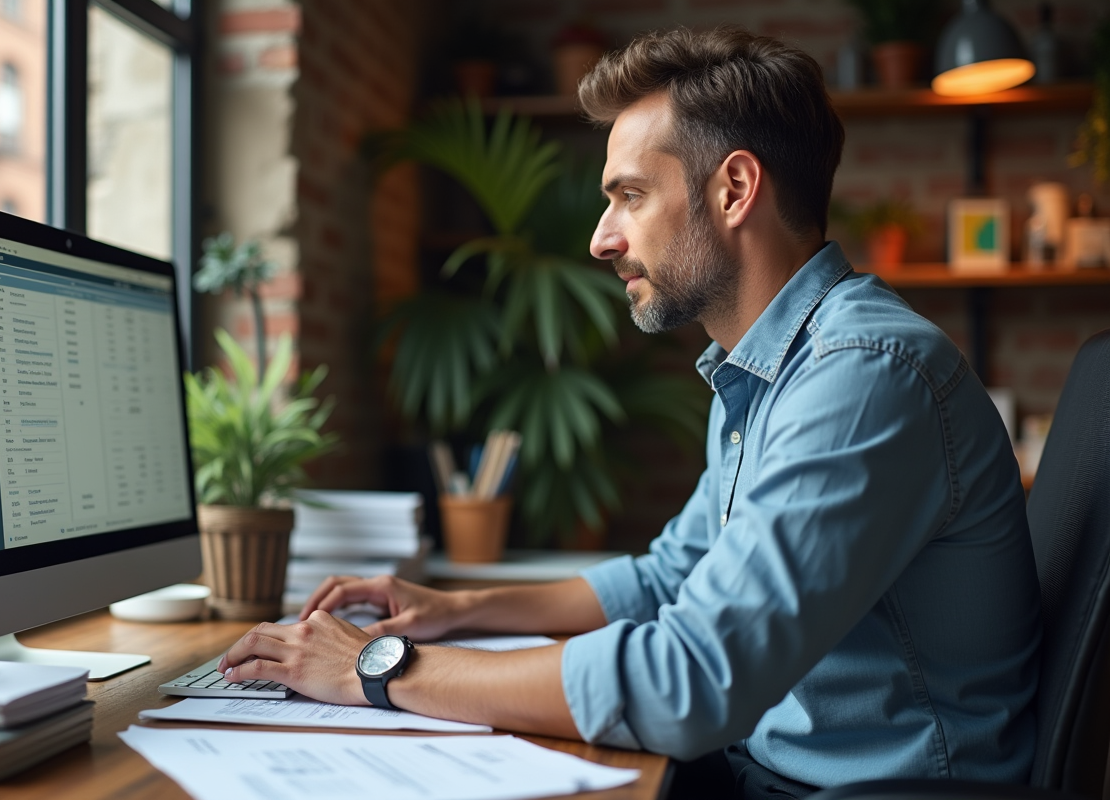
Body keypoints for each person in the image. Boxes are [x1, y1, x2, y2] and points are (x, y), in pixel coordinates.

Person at [218, 27, 1041, 797]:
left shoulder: (861, 377)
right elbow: (665, 578)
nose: (601, 239)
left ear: (735, 190)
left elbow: (691, 679)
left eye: (630, 196)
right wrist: (453, 610)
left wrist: (378, 667)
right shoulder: (769, 370)